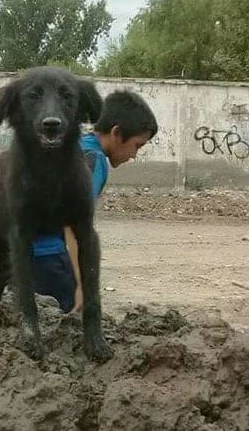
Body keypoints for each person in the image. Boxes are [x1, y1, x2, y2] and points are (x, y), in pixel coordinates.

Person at [31, 89, 158, 313]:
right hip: (49, 258)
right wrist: (82, 285)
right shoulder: (93, 159)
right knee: (69, 323)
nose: (134, 155)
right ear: (117, 133)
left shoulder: (74, 144)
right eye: (137, 146)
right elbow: (73, 226)